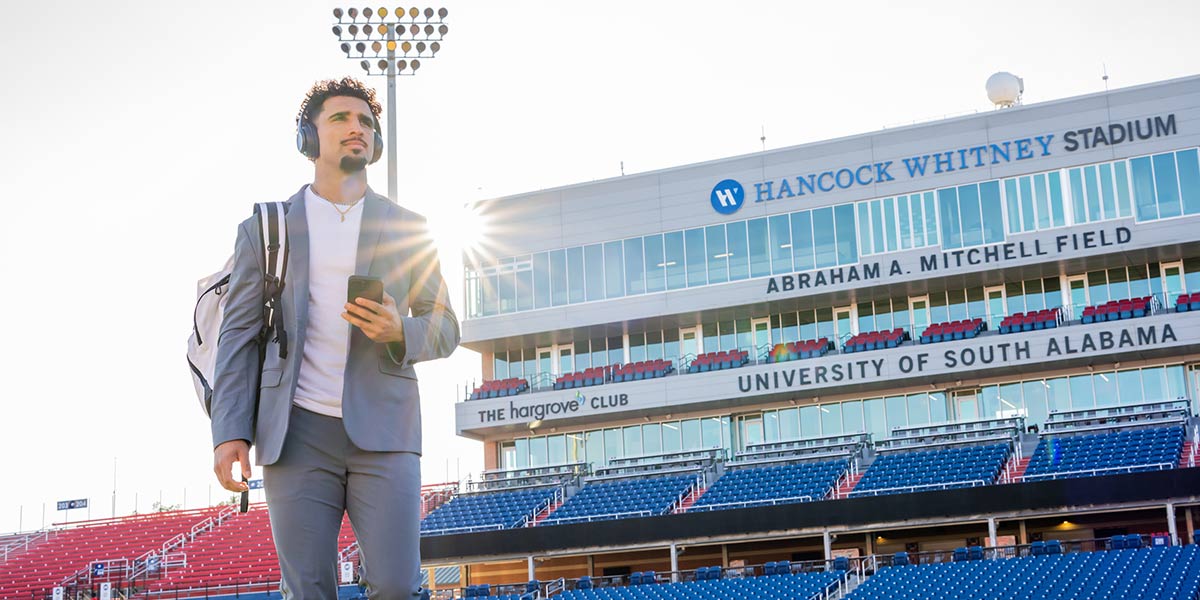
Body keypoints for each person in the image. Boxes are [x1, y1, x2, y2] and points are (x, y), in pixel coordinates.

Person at [210, 77, 460, 599]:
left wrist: (400, 330)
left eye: (366, 122)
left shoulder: (410, 228)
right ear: (309, 137)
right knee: (307, 589)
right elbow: (238, 337)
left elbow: (445, 327)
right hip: (295, 433)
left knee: (397, 586)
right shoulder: (268, 228)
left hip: (386, 431)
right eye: (341, 118)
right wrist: (229, 431)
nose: (356, 128)